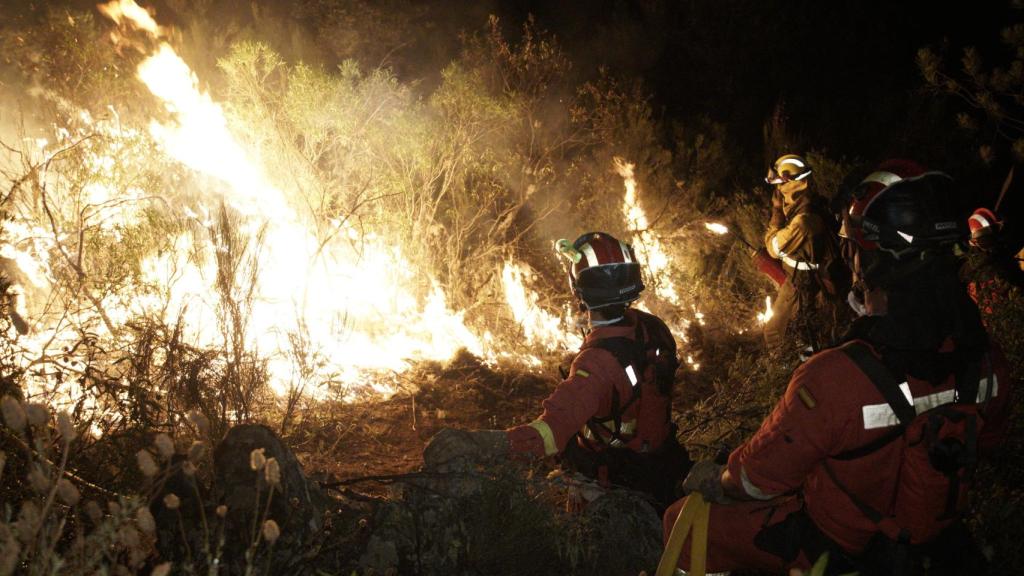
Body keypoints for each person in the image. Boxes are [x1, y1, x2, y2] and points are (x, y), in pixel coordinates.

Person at [663, 160, 1014, 575]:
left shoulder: (835, 376)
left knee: (680, 522)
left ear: (869, 257)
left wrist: (719, 479)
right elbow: (987, 442)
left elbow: (760, 478)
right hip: (931, 542)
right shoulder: (989, 362)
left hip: (834, 546)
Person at [424, 232, 690, 508]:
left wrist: (477, 443)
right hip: (663, 465)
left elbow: (548, 435)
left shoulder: (595, 364)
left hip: (613, 485)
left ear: (579, 289)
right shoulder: (654, 327)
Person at [762, 154, 849, 352]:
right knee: (805, 330)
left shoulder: (803, 222)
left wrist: (776, 213)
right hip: (807, 278)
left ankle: (785, 372)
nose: (777, 190)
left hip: (801, 284)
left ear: (790, 183)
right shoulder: (813, 201)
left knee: (775, 332)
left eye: (779, 183)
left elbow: (773, 248)